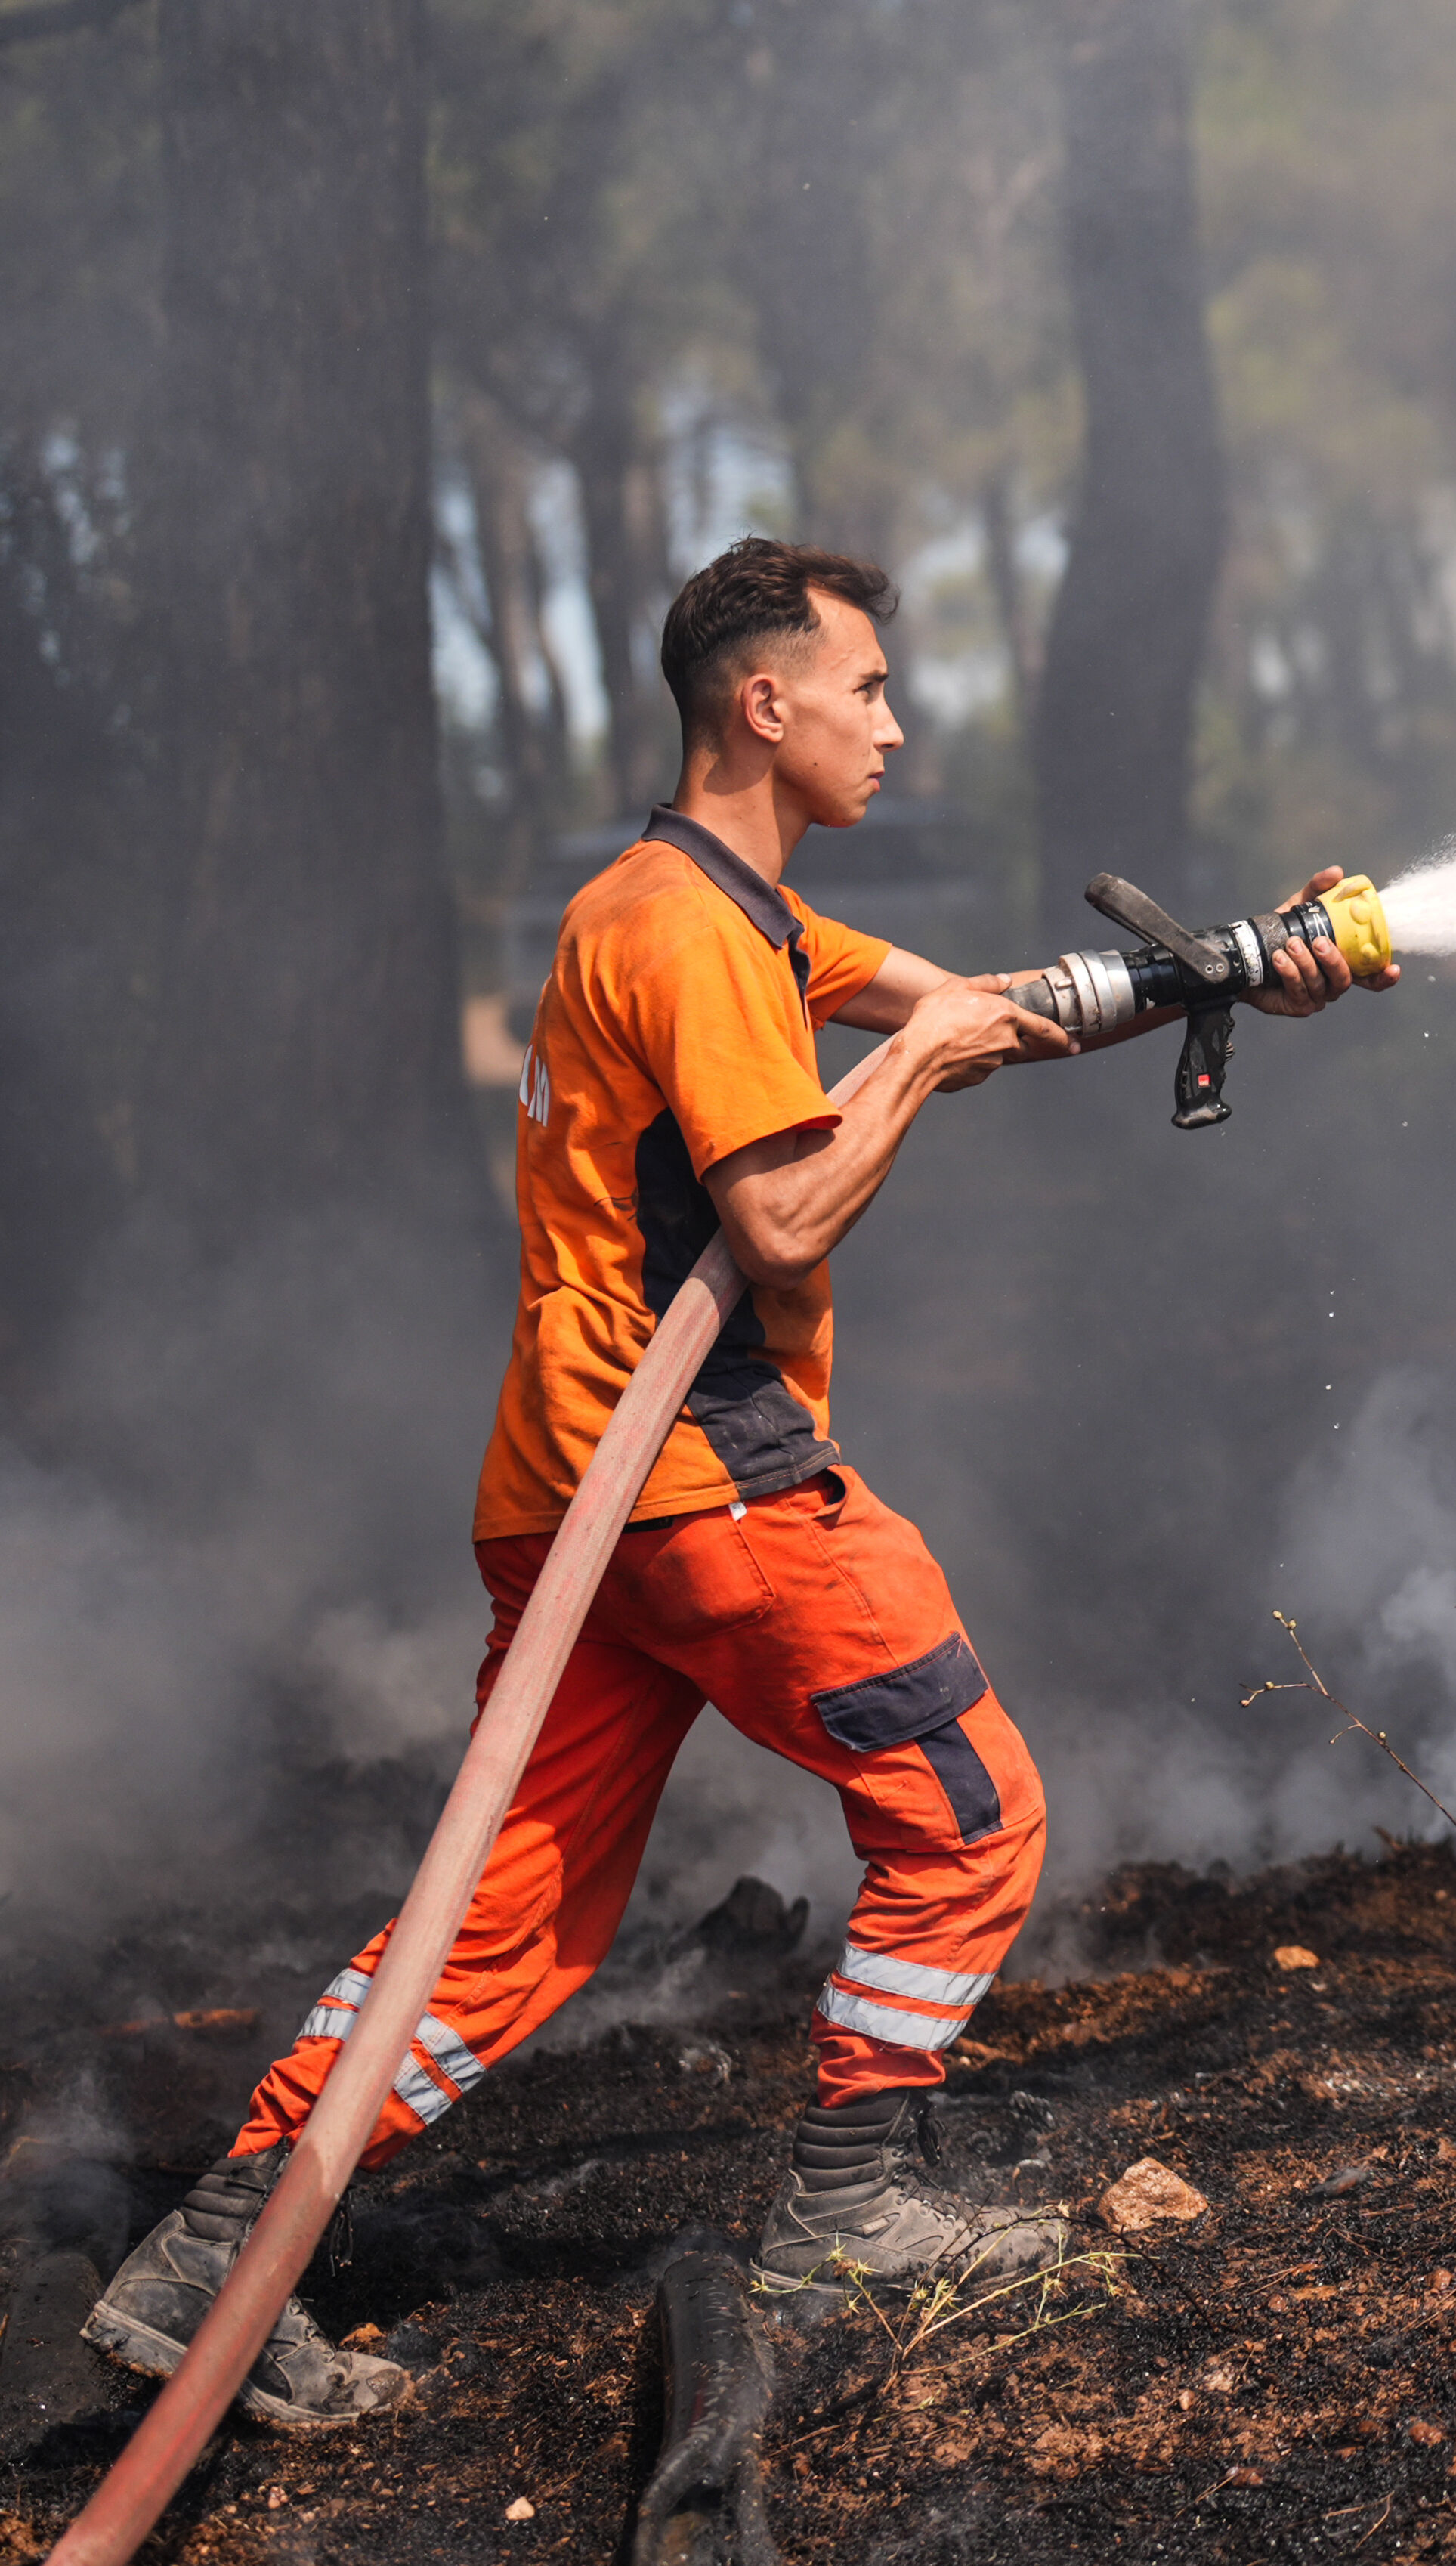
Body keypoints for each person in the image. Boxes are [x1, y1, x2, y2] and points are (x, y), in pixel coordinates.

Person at [83, 537, 1378, 2428]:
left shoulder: (704, 908)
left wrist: (1233, 970)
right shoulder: (694, 933)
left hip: (573, 1494)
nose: (895, 723)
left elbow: (981, 1006)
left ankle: (214, 2257)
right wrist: (926, 1054)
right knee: (973, 1809)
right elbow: (779, 1211)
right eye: (868, 688)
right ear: (764, 702)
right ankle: (852, 2209)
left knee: (504, 1915)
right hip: (710, 1484)